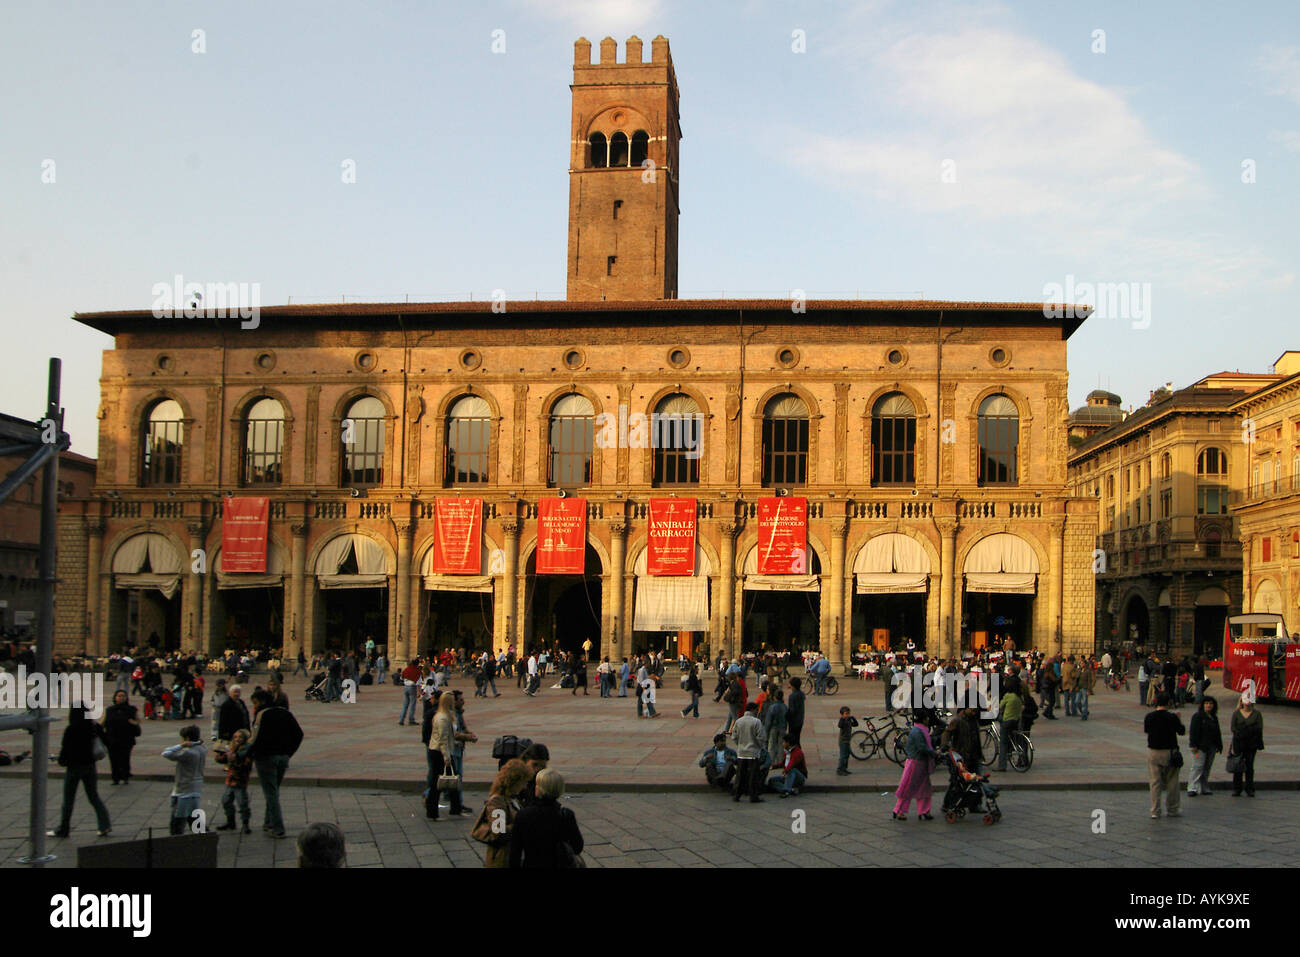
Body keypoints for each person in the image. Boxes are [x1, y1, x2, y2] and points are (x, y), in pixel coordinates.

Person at [241, 688, 304, 838]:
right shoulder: (285, 712)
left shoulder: (261, 715)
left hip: (265, 758)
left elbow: (255, 740)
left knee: (271, 793)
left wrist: (244, 754)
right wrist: (289, 753)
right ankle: (268, 822)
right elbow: (299, 734)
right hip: (283, 757)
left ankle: (278, 828)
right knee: (274, 791)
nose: (254, 706)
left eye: (255, 703)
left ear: (261, 701)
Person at [48, 706, 112, 838]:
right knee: (94, 796)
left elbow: (65, 749)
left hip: (74, 767)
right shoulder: (93, 727)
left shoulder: (71, 729)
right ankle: (104, 825)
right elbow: (106, 741)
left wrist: (61, 761)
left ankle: (64, 828)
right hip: (90, 766)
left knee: (68, 799)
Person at [508, 768, 585, 868]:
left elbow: (515, 852)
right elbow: (577, 846)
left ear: (539, 789)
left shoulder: (523, 815)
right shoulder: (566, 815)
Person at [474, 759, 531, 867]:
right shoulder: (497, 802)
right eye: (523, 782)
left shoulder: (512, 799)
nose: (524, 786)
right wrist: (519, 826)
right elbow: (498, 831)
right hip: (501, 858)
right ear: (513, 782)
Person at [1144, 692, 1186, 819]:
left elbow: (1147, 730)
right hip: (1170, 752)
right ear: (1168, 703)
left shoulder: (1149, 716)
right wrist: (1179, 719)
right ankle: (1172, 809)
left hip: (1154, 752)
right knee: (1172, 782)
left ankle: (1155, 811)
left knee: (1155, 782)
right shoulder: (1172, 717)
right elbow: (1181, 731)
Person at [426, 693, 465, 820]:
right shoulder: (442, 717)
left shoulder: (445, 715)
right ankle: (433, 811)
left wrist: (454, 742)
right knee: (437, 783)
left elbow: (447, 736)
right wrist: (447, 757)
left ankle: (456, 808)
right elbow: (442, 739)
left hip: (443, 750)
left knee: (453, 779)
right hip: (439, 753)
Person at [893, 711, 937, 821]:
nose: (928, 720)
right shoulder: (918, 731)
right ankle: (899, 810)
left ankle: (924, 810)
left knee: (925, 788)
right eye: (927, 718)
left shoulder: (922, 729)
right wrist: (934, 753)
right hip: (915, 762)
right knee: (908, 787)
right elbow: (922, 747)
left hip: (922, 762)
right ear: (923, 720)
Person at [162, 724, 206, 835]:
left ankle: (176, 840)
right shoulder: (202, 749)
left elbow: (166, 753)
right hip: (196, 787)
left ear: (186, 738)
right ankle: (203, 838)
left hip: (184, 789)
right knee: (194, 816)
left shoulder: (187, 752)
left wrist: (181, 745)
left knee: (178, 819)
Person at [214, 728, 253, 833]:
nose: (237, 739)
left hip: (240, 780)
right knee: (226, 801)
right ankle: (230, 822)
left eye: (240, 737)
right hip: (231, 780)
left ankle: (245, 824)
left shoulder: (247, 749)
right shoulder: (232, 747)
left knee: (242, 803)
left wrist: (233, 760)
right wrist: (219, 754)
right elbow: (222, 759)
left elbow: (245, 765)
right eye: (235, 737)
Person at [101, 689, 141, 785]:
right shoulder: (109, 710)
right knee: (113, 759)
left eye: (123, 696)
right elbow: (103, 722)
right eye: (119, 696)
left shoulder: (131, 709)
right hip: (112, 738)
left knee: (125, 758)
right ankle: (115, 777)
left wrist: (134, 723)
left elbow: (138, 720)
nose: (121, 698)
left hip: (126, 738)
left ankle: (125, 776)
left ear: (126, 698)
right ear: (115, 698)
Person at [1229, 695, 1264, 797]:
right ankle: (1237, 788)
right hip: (1239, 743)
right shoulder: (1236, 713)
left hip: (1251, 744)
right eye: (1246, 699)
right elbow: (1233, 728)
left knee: (1249, 766)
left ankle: (1249, 788)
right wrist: (1244, 731)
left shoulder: (1257, 714)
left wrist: (1247, 731)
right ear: (1242, 701)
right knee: (1238, 765)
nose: (1247, 701)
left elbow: (1259, 728)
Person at [731, 702, 766, 803]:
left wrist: (740, 744)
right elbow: (761, 737)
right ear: (753, 710)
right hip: (753, 753)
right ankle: (753, 795)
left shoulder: (739, 721)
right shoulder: (756, 722)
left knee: (740, 775)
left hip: (741, 753)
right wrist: (758, 746)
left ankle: (737, 794)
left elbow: (734, 736)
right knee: (753, 776)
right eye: (756, 709)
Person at [1187, 696, 1222, 797]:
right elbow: (1193, 732)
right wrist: (1193, 745)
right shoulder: (1197, 717)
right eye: (1206, 703)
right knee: (1198, 766)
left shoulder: (1214, 717)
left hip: (1211, 746)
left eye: (1210, 703)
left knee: (1207, 767)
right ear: (1202, 705)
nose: (1208, 705)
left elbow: (1217, 732)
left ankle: (1204, 787)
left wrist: (1219, 745)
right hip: (1199, 747)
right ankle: (1192, 787)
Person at [769, 732, 808, 797]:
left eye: (784, 742)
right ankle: (790, 790)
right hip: (788, 775)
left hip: (798, 777)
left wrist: (785, 771)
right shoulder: (787, 751)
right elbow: (783, 763)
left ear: (788, 743)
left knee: (792, 770)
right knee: (772, 781)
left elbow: (791, 764)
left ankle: (786, 791)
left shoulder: (798, 753)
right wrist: (773, 767)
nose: (782, 744)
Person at [995, 683, 1022, 772]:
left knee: (1003, 743)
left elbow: (1000, 706)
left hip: (1007, 721)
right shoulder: (1018, 697)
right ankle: (1010, 752)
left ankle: (1002, 765)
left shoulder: (1008, 696)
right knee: (1010, 738)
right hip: (1016, 721)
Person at [763, 688, 787, 760]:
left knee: (772, 745)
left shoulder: (772, 707)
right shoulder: (785, 707)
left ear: (774, 697)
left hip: (773, 728)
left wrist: (766, 731)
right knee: (781, 745)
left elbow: (768, 721)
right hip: (782, 727)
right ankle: (780, 760)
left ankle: (772, 761)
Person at [836, 705, 859, 775]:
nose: (848, 715)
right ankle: (840, 769)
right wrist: (843, 719)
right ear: (842, 714)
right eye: (846, 714)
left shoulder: (849, 720)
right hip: (843, 741)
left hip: (847, 741)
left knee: (847, 756)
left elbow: (856, 724)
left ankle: (844, 768)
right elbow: (839, 725)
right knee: (843, 756)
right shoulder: (842, 720)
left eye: (848, 713)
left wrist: (853, 718)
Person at [398, 660, 422, 725]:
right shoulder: (417, 671)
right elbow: (418, 683)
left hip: (406, 687)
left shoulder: (407, 668)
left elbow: (401, 677)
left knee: (405, 705)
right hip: (412, 687)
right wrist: (419, 692)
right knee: (412, 705)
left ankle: (401, 719)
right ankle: (411, 720)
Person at [786, 677, 806, 748]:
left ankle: (796, 753)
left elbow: (792, 710)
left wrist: (786, 717)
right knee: (797, 738)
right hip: (800, 719)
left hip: (794, 721)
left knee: (793, 740)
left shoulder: (792, 696)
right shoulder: (801, 694)